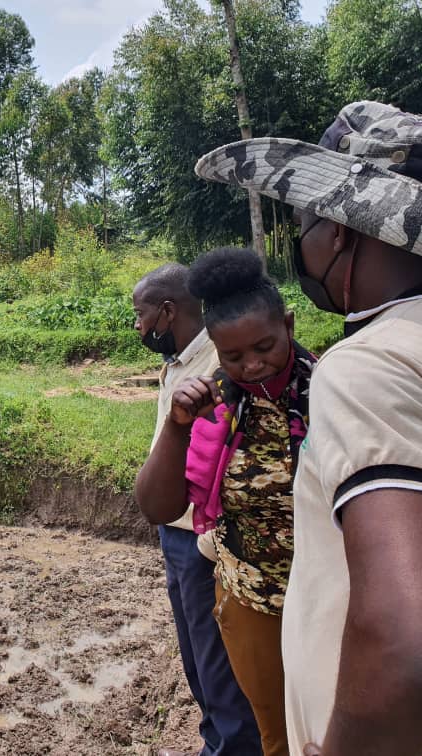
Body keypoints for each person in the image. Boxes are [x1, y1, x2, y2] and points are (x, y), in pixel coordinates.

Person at [195, 102, 422, 755]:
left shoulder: (372, 366)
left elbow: (417, 649)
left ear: (344, 231)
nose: (304, 243)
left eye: (304, 223)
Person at [135, 248, 317, 756]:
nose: (253, 365)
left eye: (264, 347)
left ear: (288, 324)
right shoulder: (213, 403)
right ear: (215, 349)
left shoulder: (329, 390)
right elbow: (157, 507)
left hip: (327, 598)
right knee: (271, 733)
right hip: (250, 599)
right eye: (234, 358)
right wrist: (176, 429)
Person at [132, 263, 262, 756]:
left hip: (205, 542)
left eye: (141, 314)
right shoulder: (180, 363)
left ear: (168, 311)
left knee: (218, 666)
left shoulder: (216, 365)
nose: (138, 327)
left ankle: (230, 745)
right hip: (176, 533)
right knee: (197, 661)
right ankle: (214, 740)